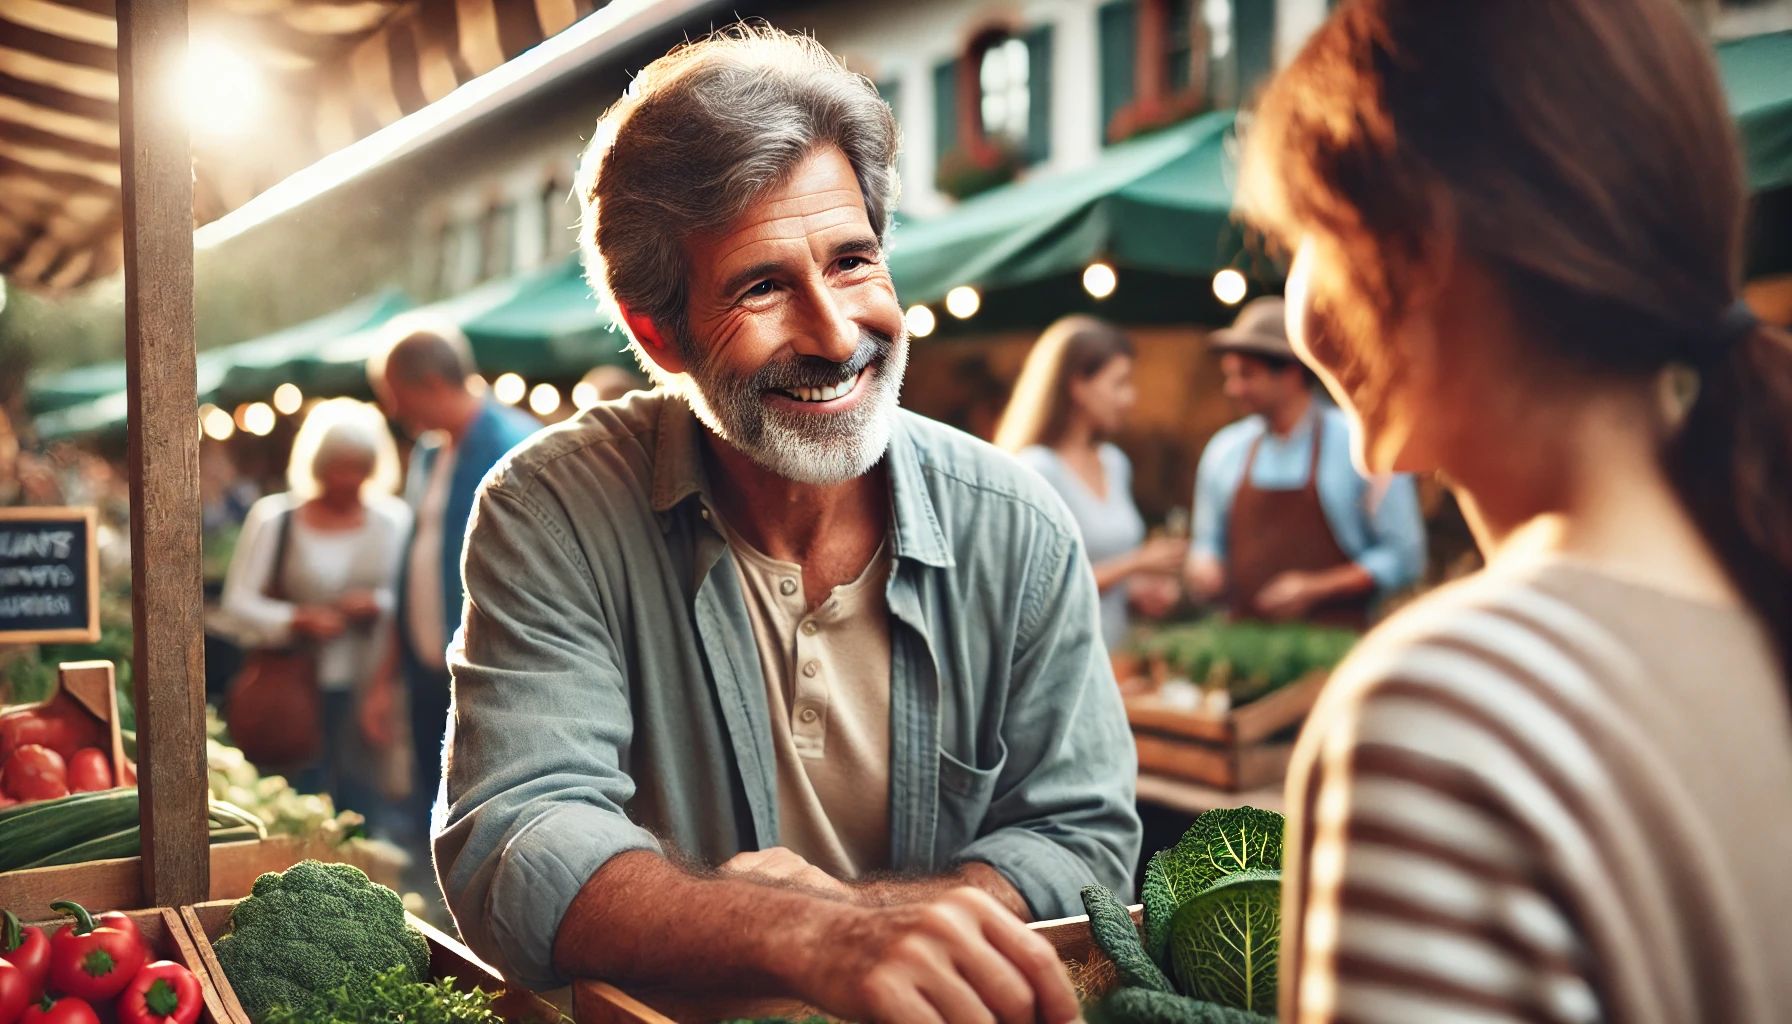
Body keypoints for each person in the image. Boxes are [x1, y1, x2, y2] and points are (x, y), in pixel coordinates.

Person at [433, 27, 1139, 1024]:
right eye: (762, 286)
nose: (836, 334)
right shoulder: (553, 509)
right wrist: (810, 936)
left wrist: (864, 922)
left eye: (853, 261)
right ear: (656, 332)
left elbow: (1082, 836)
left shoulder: (1016, 525)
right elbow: (516, 842)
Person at [1240, 0, 1792, 1019]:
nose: (1297, 292)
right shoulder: (1757, 597)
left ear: (1416, 243)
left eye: (1299, 236)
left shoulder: (1446, 711)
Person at [359, 318, 538, 826]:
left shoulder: (517, 448)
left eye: (394, 396)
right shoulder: (429, 451)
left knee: (481, 822)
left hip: (490, 680)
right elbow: (411, 564)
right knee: (430, 815)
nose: (392, 412)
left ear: (432, 384)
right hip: (427, 672)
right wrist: (387, 675)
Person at [1185, 296, 1425, 627]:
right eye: (1229, 375)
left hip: (1338, 645)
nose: (1233, 388)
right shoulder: (1225, 450)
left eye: (1246, 375)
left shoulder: (1360, 447)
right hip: (1243, 644)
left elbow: (1404, 557)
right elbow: (1206, 541)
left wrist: (1317, 588)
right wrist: (1204, 563)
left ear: (1291, 373)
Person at [221, 398, 411, 812]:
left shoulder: (393, 521)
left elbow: (409, 598)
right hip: (290, 684)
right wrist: (296, 619)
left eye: (359, 467)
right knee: (295, 797)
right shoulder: (275, 519)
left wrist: (376, 603)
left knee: (364, 798)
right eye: (339, 466)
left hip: (367, 682)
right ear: (318, 464)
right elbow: (237, 600)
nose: (348, 478)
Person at [995, 315, 1189, 649]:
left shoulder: (1115, 463)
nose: (1129, 398)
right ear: (1078, 386)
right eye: (1119, 383)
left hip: (1113, 657)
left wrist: (1137, 592)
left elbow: (1103, 579)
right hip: (1056, 662)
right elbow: (1035, 589)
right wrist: (1136, 563)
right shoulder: (1037, 469)